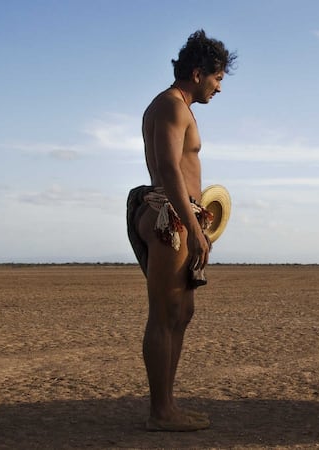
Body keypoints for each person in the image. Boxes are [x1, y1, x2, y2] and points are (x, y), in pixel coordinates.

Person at [126, 29, 236, 432]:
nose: (219, 88)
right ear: (197, 72)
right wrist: (193, 226)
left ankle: (168, 405)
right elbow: (171, 169)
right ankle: (161, 412)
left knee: (181, 313)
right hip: (170, 219)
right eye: (218, 78)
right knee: (164, 315)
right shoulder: (172, 107)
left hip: (177, 214)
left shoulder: (173, 106)